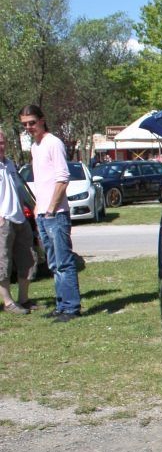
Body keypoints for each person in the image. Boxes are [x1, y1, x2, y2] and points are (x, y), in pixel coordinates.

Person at [20, 104, 81, 322]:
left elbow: (62, 178)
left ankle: (71, 307)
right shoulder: (35, 147)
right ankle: (61, 305)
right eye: (25, 124)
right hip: (43, 214)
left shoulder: (53, 143)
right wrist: (39, 208)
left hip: (56, 214)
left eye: (32, 123)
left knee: (64, 262)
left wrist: (52, 208)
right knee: (54, 264)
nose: (29, 127)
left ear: (42, 120)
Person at [0, 131, 35, 315]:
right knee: (3, 263)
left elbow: (19, 189)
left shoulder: (10, 164)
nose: (1, 146)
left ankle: (24, 299)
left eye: (2, 142)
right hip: (3, 221)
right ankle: (8, 302)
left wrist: (28, 208)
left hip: (20, 218)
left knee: (28, 259)